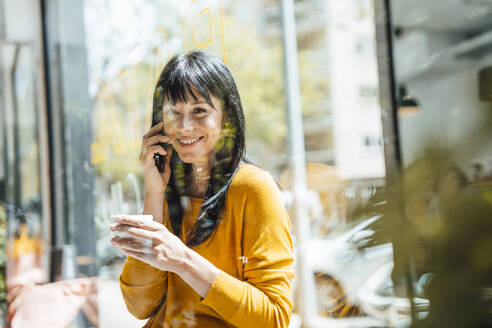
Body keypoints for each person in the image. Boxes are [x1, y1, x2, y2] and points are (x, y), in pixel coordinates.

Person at [110, 51, 295, 328]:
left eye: (199, 111)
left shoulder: (254, 188)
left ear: (227, 117)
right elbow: (139, 306)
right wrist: (154, 193)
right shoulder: (167, 186)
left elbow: (273, 318)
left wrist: (183, 260)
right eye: (174, 112)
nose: (184, 127)